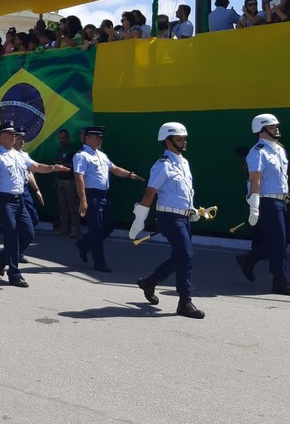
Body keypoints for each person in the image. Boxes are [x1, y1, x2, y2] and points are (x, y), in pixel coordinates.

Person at [129, 123, 206, 318]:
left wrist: (192, 210)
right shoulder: (162, 165)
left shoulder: (184, 162)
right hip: (169, 217)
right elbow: (149, 193)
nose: (184, 142)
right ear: (167, 141)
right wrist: (139, 220)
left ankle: (149, 282)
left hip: (183, 216)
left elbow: (183, 192)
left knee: (179, 256)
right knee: (186, 255)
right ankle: (184, 302)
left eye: (184, 138)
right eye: (179, 139)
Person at [0, 123, 68, 287]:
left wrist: (53, 168)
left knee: (28, 233)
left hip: (19, 200)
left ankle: (3, 256)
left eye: (14, 134)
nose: (13, 137)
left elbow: (36, 167)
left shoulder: (20, 155)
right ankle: (14, 273)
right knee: (11, 234)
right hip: (5, 200)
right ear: (1, 137)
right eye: (10, 134)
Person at [236, 113, 290, 295]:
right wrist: (254, 206)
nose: (276, 129)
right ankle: (279, 281)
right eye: (272, 127)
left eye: (276, 126)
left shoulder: (279, 149)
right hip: (266, 201)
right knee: (278, 241)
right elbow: (255, 180)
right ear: (261, 130)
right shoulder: (257, 152)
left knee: (282, 240)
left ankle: (249, 259)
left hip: (280, 200)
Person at [73, 126, 144, 272]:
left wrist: (129, 174)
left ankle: (84, 244)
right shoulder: (81, 156)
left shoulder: (101, 155)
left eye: (101, 137)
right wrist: (83, 200)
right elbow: (79, 178)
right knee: (96, 229)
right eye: (97, 137)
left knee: (109, 225)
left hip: (103, 196)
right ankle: (99, 263)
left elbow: (114, 169)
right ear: (87, 138)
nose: (100, 140)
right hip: (92, 195)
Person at [53, 129, 80, 238]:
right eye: (59, 138)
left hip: (70, 181)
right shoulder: (59, 149)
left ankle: (75, 230)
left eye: (63, 138)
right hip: (61, 180)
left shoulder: (73, 150)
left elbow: (75, 166)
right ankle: (64, 228)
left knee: (73, 206)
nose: (61, 140)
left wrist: (64, 164)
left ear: (68, 137)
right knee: (62, 206)